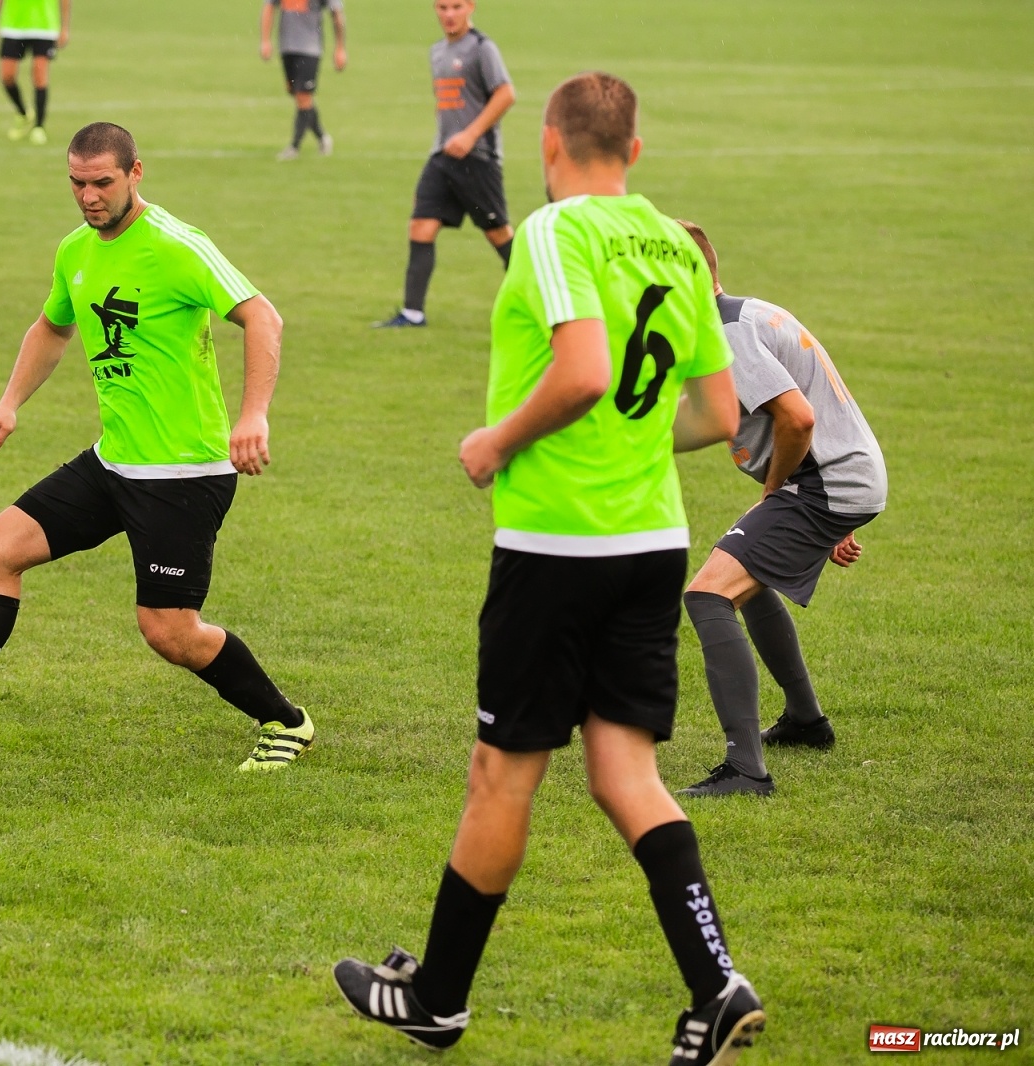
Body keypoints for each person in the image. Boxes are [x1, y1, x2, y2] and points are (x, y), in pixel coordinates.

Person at [335, 73, 767, 1066]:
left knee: (501, 772)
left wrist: (497, 439)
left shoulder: (551, 230)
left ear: (547, 143)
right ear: (636, 150)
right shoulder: (670, 238)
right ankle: (717, 983)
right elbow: (710, 412)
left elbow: (579, 370)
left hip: (555, 546)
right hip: (651, 541)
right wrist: (627, 450)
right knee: (626, 774)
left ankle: (437, 999)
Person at [0, 123, 316, 772]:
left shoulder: (178, 247)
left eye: (102, 182)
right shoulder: (76, 251)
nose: (89, 196)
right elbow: (52, 326)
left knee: (169, 632)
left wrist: (254, 415)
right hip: (112, 461)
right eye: (77, 183)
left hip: (183, 473)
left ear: (135, 174)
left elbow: (262, 315)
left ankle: (285, 721)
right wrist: (8, 403)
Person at [672, 221, 888, 798]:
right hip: (837, 479)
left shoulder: (725, 333)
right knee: (749, 579)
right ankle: (806, 721)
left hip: (822, 481)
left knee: (708, 594)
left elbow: (798, 419)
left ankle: (746, 770)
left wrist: (778, 493)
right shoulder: (742, 314)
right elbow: (706, 415)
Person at [375, 0, 514, 329]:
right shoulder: (437, 51)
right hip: (442, 156)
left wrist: (470, 135)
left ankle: (546, 301)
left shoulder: (482, 48)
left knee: (498, 234)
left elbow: (506, 94)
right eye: (442, 7)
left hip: (477, 157)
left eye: (456, 6)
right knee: (421, 226)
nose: (449, 14)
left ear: (471, 8)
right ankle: (412, 313)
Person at [259, 0, 347, 161]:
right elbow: (269, 7)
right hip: (286, 46)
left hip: (310, 49)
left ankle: (294, 147)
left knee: (303, 97)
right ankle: (322, 137)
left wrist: (340, 48)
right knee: (298, 96)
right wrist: (265, 40)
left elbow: (337, 14)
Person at [0, 0, 71, 146]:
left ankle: (39, 126)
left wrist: (65, 26)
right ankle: (23, 114)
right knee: (7, 76)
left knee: (39, 76)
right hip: (13, 25)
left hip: (44, 25)